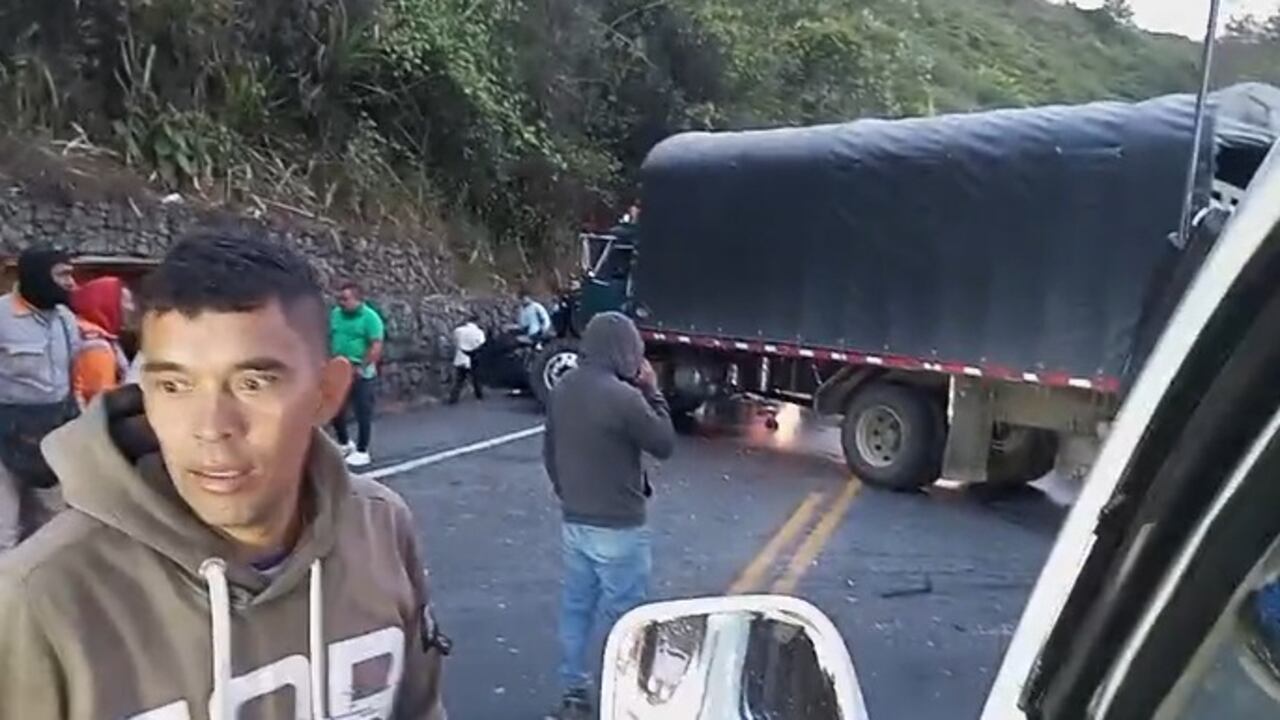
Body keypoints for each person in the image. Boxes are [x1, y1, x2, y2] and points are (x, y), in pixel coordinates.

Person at [0, 229, 447, 719]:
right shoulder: (41, 599)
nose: (211, 429)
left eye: (253, 383)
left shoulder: (380, 529)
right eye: (174, 386)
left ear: (327, 393)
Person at [543, 311, 676, 719]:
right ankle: (625, 696)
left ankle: (573, 691)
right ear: (623, 349)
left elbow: (549, 452)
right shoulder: (624, 397)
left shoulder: (564, 388)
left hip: (575, 519)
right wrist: (653, 390)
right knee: (627, 618)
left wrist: (567, 493)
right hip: (619, 524)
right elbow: (664, 443)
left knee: (576, 608)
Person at [0, 246, 80, 552]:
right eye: (62, 275)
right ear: (37, 276)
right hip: (5, 438)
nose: (71, 283)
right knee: (5, 529)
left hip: (51, 437)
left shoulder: (65, 319)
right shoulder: (2, 317)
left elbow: (72, 376)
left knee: (52, 526)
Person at [329, 281, 385, 467]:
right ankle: (344, 442)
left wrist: (362, 366)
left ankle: (362, 450)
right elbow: (330, 336)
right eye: (339, 299)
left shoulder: (371, 318)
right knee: (335, 408)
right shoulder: (335, 314)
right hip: (338, 367)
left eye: (345, 299)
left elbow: (376, 345)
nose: (341, 303)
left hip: (361, 370)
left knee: (362, 411)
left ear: (358, 300)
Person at [70, 276, 134, 407]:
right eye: (125, 301)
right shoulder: (97, 348)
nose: (131, 308)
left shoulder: (81, 332)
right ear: (107, 303)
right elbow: (101, 403)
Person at [449, 314, 487, 405]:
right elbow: (481, 344)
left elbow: (454, 342)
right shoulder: (479, 332)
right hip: (473, 357)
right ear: (477, 322)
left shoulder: (458, 331)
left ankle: (453, 399)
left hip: (461, 356)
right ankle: (479, 397)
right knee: (476, 379)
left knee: (459, 380)